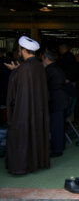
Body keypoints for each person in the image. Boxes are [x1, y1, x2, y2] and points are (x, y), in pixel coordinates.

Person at [4, 36, 50, 175]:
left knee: (21, 135)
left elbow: (15, 89)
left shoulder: (24, 68)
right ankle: (37, 162)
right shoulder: (38, 65)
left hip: (23, 109)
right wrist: (17, 70)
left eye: (19, 49)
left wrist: (14, 71)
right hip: (37, 110)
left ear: (23, 50)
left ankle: (21, 166)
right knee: (35, 134)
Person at [43, 50, 69, 157]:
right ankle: (60, 146)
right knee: (59, 125)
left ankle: (57, 150)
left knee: (56, 126)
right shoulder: (57, 68)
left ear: (47, 59)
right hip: (61, 99)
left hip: (55, 101)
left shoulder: (49, 70)